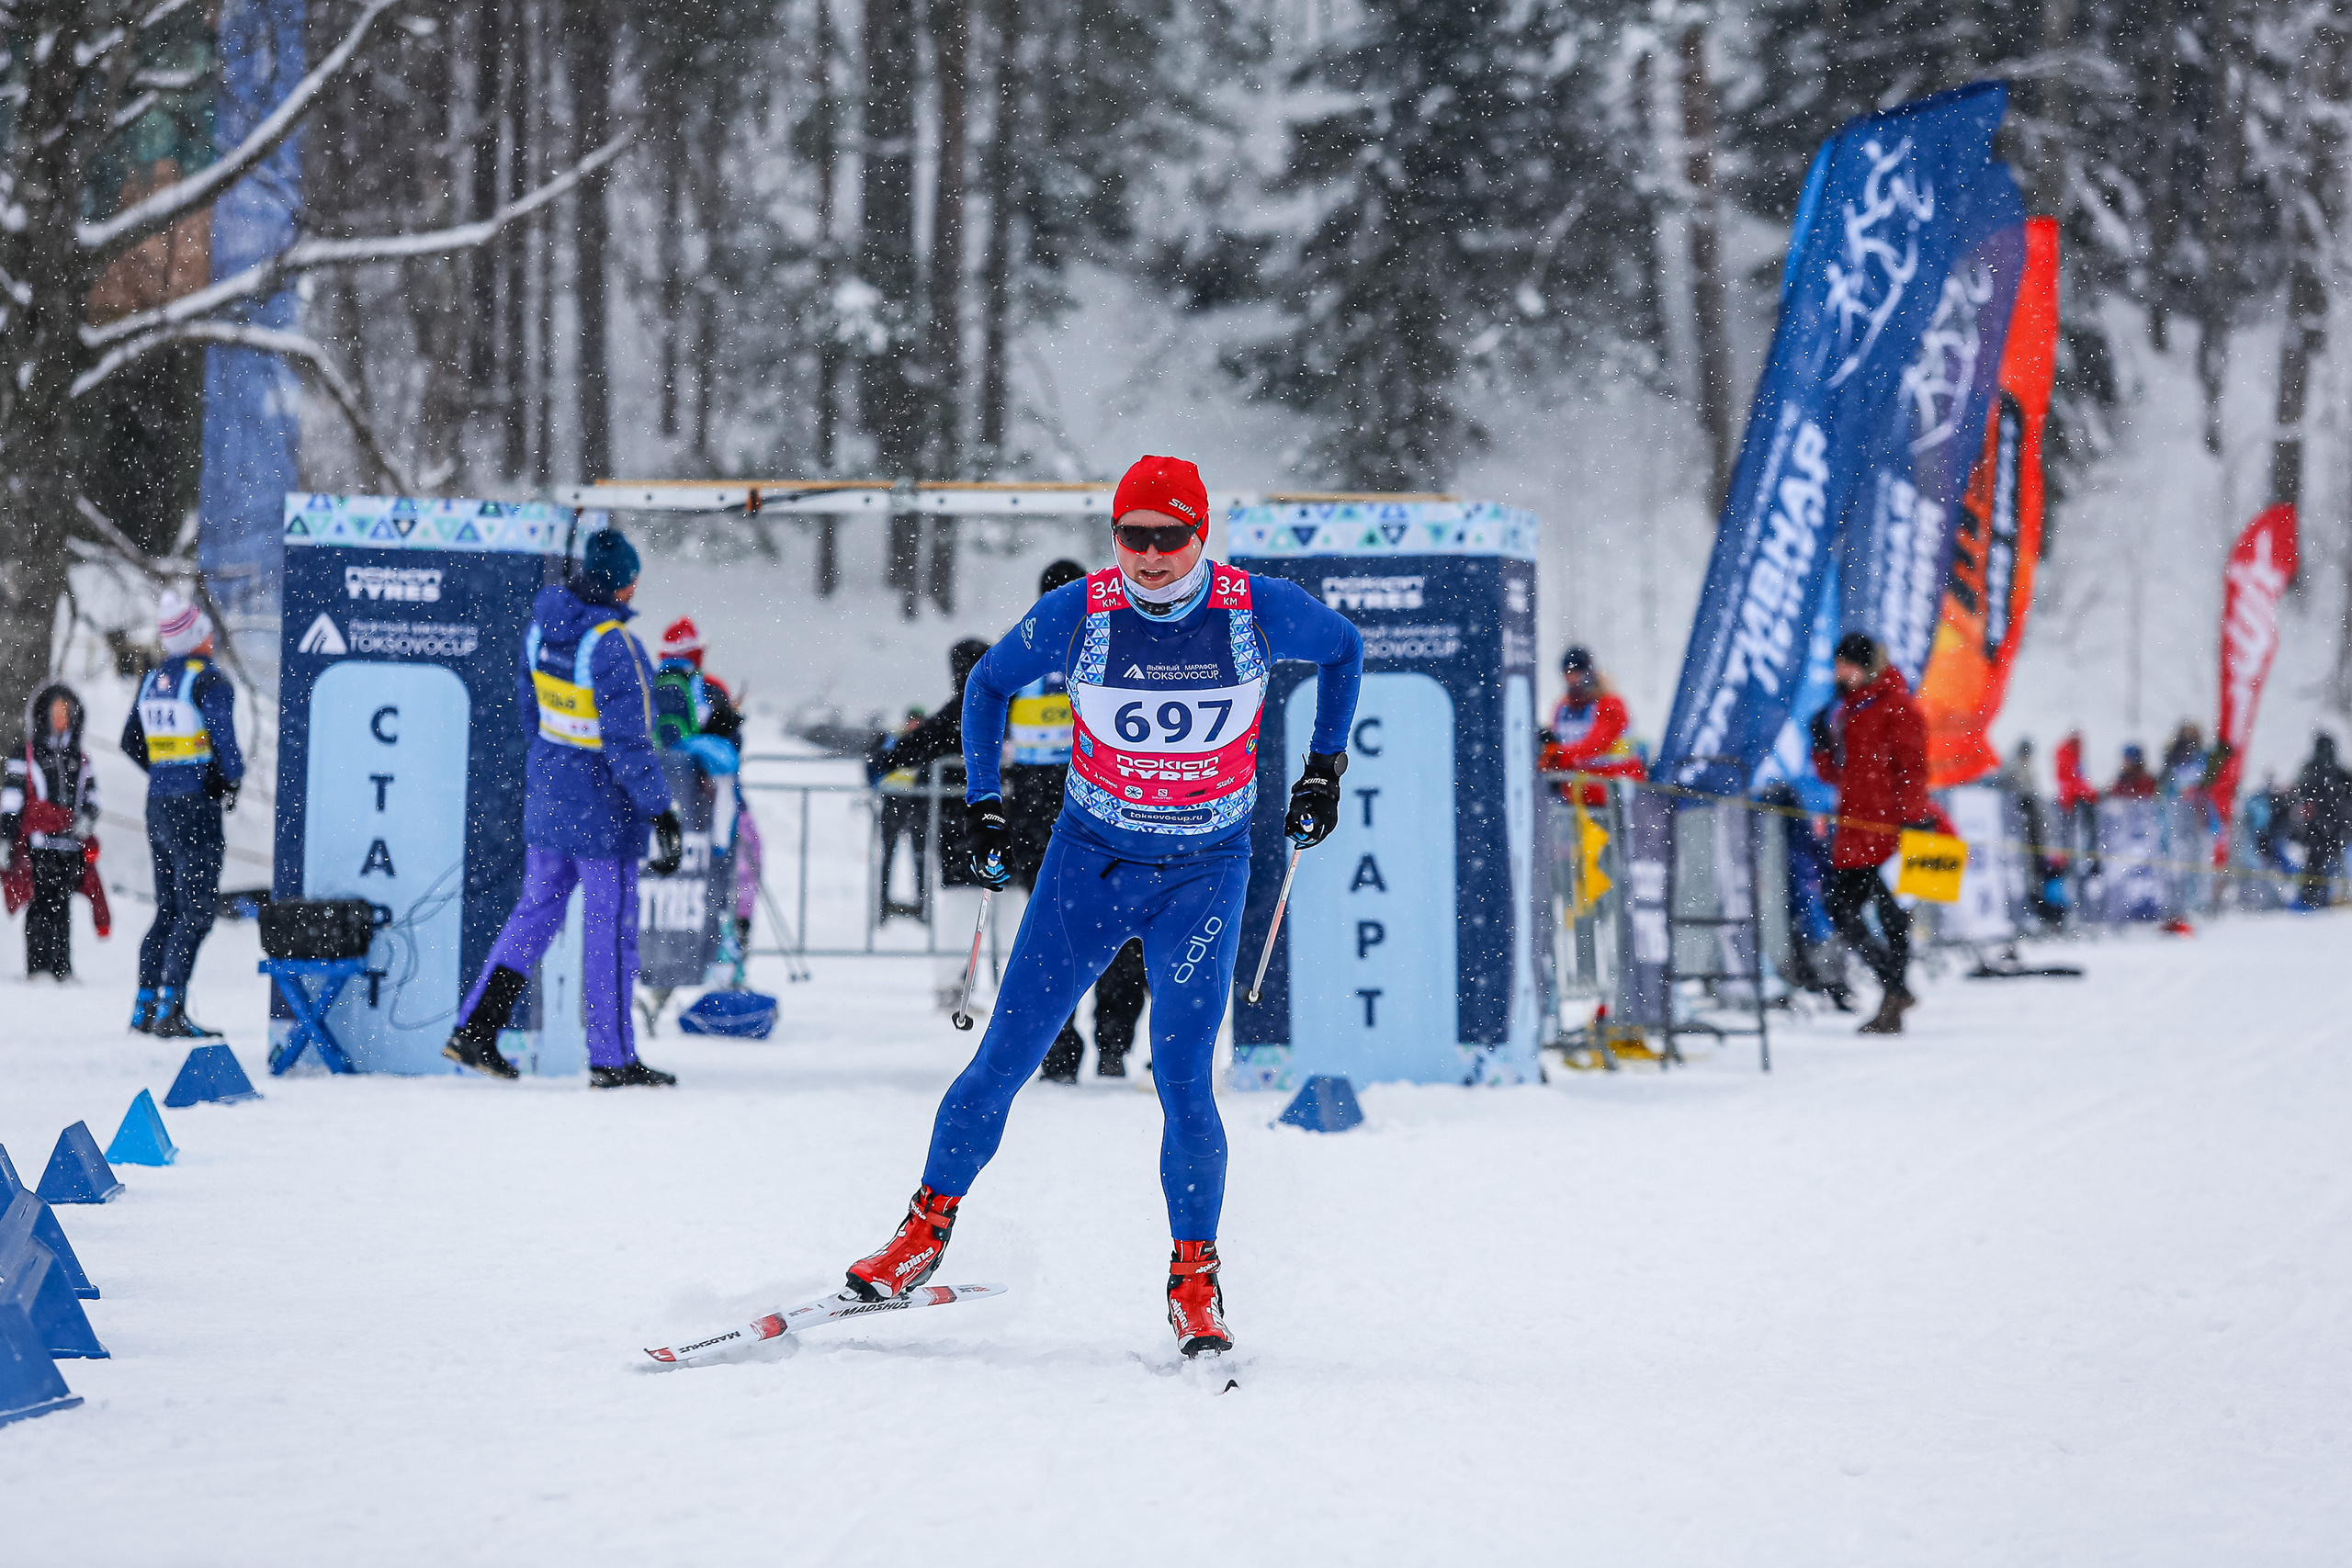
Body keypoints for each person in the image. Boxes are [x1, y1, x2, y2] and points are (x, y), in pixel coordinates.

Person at [839, 454, 1363, 1360]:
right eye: (1134, 537)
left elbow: (1344, 648)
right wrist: (983, 803)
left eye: (1172, 537)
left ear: (1202, 535)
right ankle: (921, 1234)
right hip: (1088, 866)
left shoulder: (1252, 609)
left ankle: (1194, 1279)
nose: (1153, 557)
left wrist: (1324, 767)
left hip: (1203, 873)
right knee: (1003, 1058)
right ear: (1112, 536)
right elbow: (986, 686)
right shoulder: (1078, 612)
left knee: (1182, 1079)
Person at [441, 528, 684, 1088]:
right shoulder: (615, 647)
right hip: (604, 813)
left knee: (532, 917)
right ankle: (612, 1058)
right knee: (609, 933)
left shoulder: (539, 630)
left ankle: (476, 1029)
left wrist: (553, 771)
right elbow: (628, 742)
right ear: (622, 585)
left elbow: (533, 714)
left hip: (551, 800)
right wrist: (659, 809)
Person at [1005, 559, 1148, 1083]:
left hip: (1088, 811)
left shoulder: (1118, 646)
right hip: (1085, 814)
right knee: (1105, 934)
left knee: (1068, 936)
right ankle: (1084, 1046)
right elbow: (968, 708)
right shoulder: (1033, 653)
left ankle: (1091, 1045)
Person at [121, 591, 243, 1037]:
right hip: (195, 808)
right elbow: (227, 749)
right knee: (196, 912)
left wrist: (165, 772)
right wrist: (224, 780)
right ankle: (171, 1010)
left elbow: (130, 741)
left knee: (167, 910)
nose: (211, 640)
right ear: (197, 636)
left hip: (158, 806)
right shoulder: (209, 681)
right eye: (206, 633)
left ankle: (144, 1007)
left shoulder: (152, 678)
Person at [1808, 632, 1929, 1036]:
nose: (1839, 673)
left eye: (1845, 664)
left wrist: (1911, 824)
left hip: (1890, 831)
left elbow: (1913, 771)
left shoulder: (1897, 707)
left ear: (1864, 665)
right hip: (1855, 830)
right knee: (1842, 908)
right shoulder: (1846, 711)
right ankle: (1895, 986)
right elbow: (1836, 775)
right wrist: (1821, 745)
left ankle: (1893, 999)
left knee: (1892, 917)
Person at [3, 684, 107, 979]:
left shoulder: (81, 759)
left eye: (67, 711)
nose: (61, 717)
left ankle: (62, 966)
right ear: (43, 714)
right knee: (38, 905)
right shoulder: (26, 754)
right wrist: (6, 835)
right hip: (37, 845)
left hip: (70, 846)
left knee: (63, 907)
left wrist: (86, 819)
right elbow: (12, 798)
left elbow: (93, 798)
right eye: (56, 711)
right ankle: (38, 969)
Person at [1539, 647, 1644, 806]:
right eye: (1568, 673)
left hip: (1616, 799)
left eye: (1577, 672)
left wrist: (1555, 757)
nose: (1573, 679)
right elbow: (1556, 743)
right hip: (1578, 798)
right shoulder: (1562, 708)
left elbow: (1595, 746)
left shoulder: (1610, 704)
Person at [866, 706, 929, 921]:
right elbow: (873, 763)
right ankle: (883, 904)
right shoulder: (892, 738)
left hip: (918, 802)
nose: (915, 724)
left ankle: (922, 906)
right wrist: (876, 785)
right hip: (893, 801)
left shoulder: (927, 741)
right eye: (913, 720)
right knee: (888, 855)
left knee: (920, 857)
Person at [2289, 732, 2352, 908]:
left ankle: (2311, 898)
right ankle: (2336, 897)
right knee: (2337, 864)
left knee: (2314, 864)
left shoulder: (2311, 769)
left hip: (2315, 828)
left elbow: (2299, 794)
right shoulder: (2339, 771)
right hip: (2337, 827)